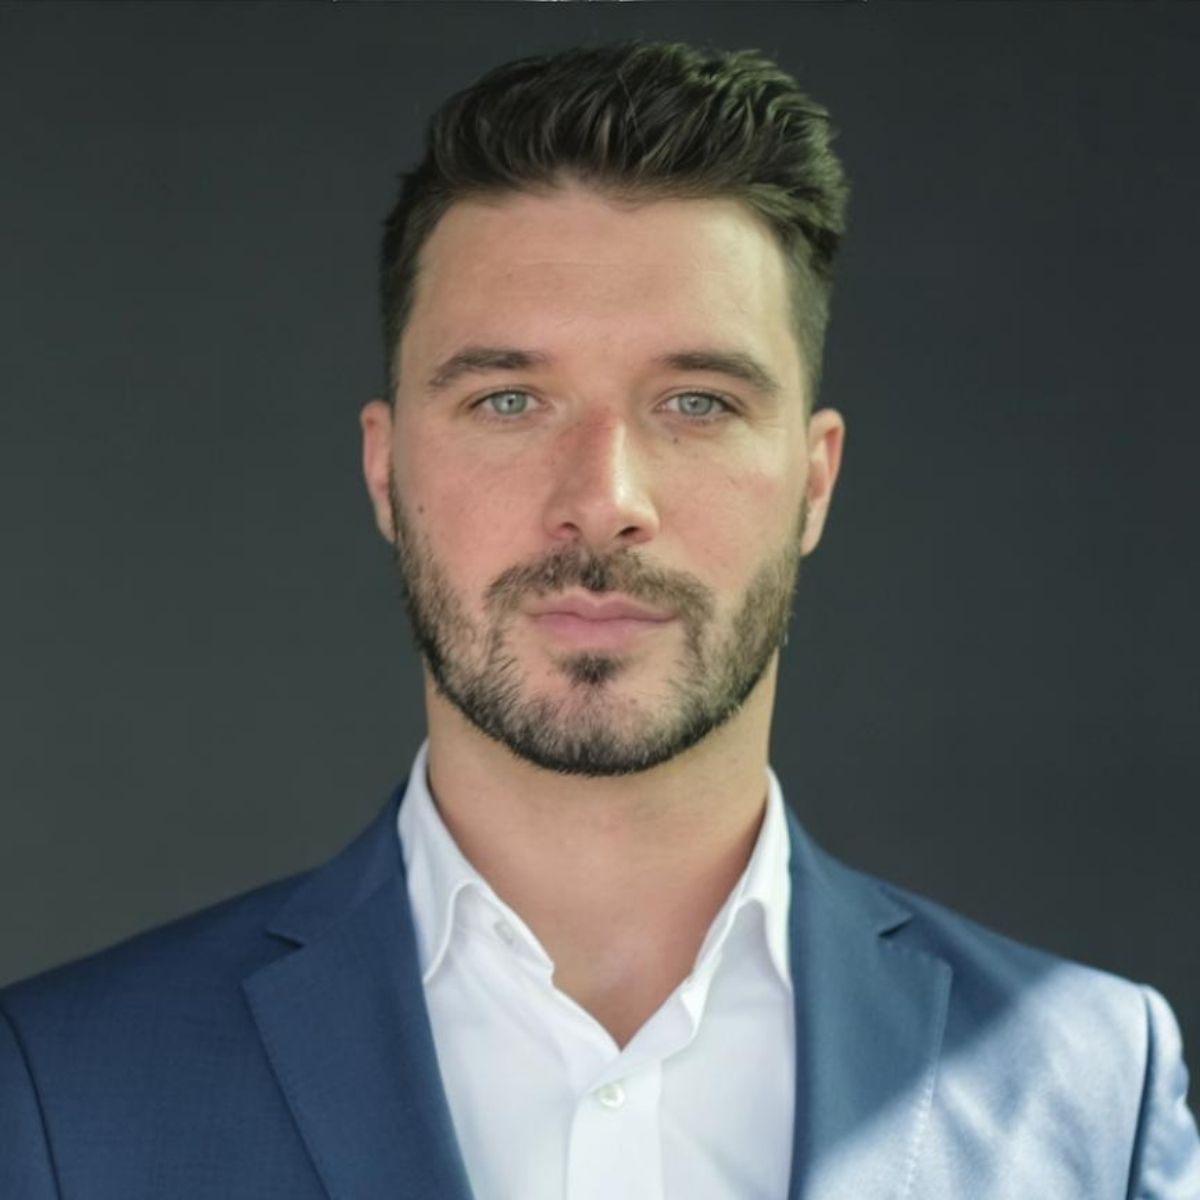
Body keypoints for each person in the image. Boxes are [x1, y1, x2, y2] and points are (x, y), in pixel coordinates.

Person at [1, 39, 1197, 1200]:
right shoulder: (59, 1088)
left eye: (695, 401)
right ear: (385, 471)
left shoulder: (1093, 1089)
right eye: (510, 398)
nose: (604, 501)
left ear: (814, 482)